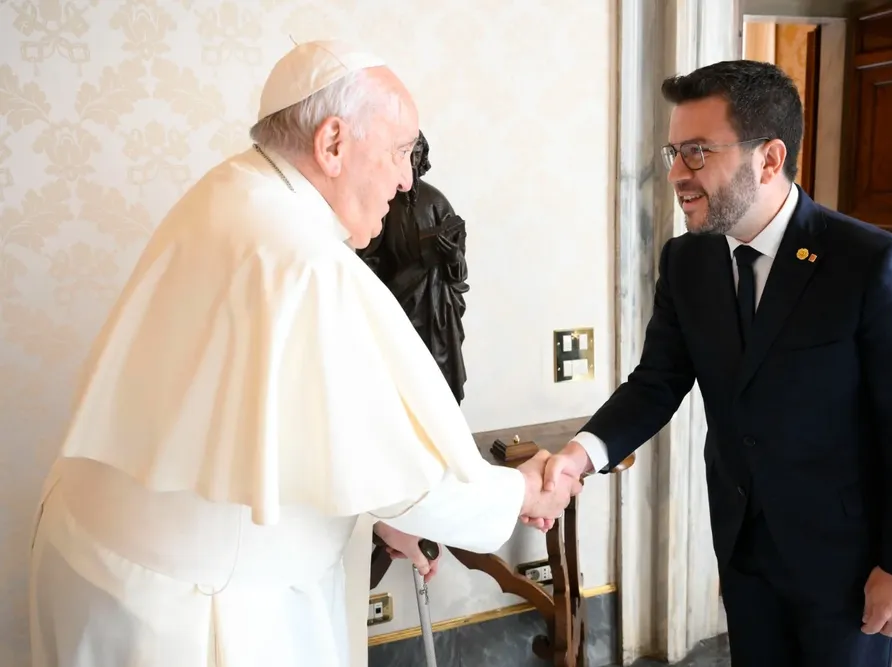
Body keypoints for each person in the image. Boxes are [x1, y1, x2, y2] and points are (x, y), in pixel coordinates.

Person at [27, 40, 578, 667]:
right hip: (197, 610)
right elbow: (409, 474)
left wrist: (378, 514)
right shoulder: (305, 260)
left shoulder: (232, 191)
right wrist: (519, 494)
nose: (406, 179)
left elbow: (276, 418)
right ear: (333, 143)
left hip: (106, 563)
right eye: (401, 151)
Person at [528, 60, 892, 667]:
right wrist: (577, 457)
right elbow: (658, 382)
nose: (676, 173)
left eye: (697, 152)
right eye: (674, 151)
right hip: (743, 544)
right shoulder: (686, 262)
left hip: (848, 561)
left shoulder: (871, 264)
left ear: (769, 159)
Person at [358, 130, 471, 404]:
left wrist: (452, 256)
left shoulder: (437, 202)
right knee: (401, 388)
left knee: (440, 388)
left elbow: (459, 271)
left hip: (436, 315)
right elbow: (366, 260)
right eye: (406, 154)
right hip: (399, 310)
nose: (412, 162)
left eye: (417, 155)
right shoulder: (384, 205)